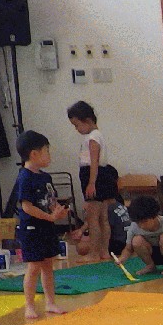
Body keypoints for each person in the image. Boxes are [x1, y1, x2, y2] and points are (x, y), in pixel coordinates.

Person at [14, 130, 72, 319]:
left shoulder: (46, 177)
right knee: (34, 267)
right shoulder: (25, 177)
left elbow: (51, 200)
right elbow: (27, 206)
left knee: (48, 265)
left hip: (47, 227)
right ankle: (29, 305)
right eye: (46, 151)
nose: (49, 155)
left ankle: (50, 302)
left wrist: (58, 211)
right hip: (32, 229)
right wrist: (49, 217)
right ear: (34, 154)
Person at [69, 101, 117, 262]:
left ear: (87, 120)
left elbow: (94, 161)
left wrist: (91, 183)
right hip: (102, 175)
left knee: (92, 217)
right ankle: (104, 251)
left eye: (77, 125)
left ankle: (94, 253)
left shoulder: (92, 138)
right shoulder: (98, 135)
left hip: (94, 176)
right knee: (103, 218)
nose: (76, 129)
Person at [123, 197, 163, 276]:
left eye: (145, 221)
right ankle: (150, 265)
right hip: (150, 254)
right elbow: (128, 249)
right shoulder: (134, 227)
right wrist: (122, 258)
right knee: (136, 240)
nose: (141, 226)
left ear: (155, 216)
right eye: (138, 222)